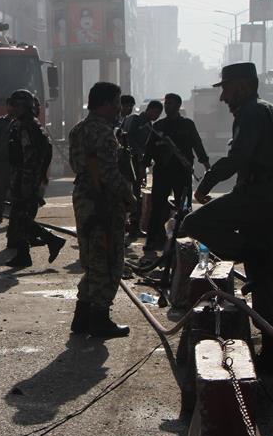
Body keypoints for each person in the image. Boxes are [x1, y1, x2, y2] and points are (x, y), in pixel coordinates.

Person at [179, 62, 273, 375]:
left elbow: (239, 157)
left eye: (226, 89)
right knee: (267, 277)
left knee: (193, 224)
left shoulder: (250, 113)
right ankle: (272, 353)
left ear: (242, 87)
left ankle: (248, 249)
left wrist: (205, 183)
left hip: (257, 194)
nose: (223, 98)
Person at [68, 82, 134, 337]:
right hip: (103, 203)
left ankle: (82, 318)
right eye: (117, 102)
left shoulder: (78, 130)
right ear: (106, 104)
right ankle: (99, 319)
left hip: (84, 200)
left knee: (93, 260)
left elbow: (77, 165)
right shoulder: (104, 133)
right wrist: (129, 198)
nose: (119, 108)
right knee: (109, 261)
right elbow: (108, 174)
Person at [5, 89, 66, 268]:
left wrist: (28, 182)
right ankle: (24, 255)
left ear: (25, 107)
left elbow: (30, 157)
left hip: (26, 178)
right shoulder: (24, 124)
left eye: (16, 105)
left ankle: (51, 239)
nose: (13, 108)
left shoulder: (28, 126)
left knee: (22, 217)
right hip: (23, 176)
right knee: (19, 218)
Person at [143, 93, 210, 252]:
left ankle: (186, 243)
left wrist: (206, 164)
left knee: (184, 208)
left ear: (178, 106)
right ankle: (153, 241)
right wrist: (143, 168)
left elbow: (197, 144)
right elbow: (150, 149)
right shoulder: (158, 126)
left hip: (182, 171)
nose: (167, 106)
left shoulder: (187, 124)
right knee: (158, 207)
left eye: (170, 103)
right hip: (162, 172)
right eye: (166, 103)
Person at [119, 100, 163, 235]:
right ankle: (128, 224)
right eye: (155, 112)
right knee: (129, 192)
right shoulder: (136, 120)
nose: (156, 116)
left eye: (159, 114)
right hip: (128, 162)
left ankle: (134, 225)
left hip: (138, 163)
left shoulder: (149, 125)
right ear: (149, 110)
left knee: (137, 192)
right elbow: (128, 139)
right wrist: (139, 155)